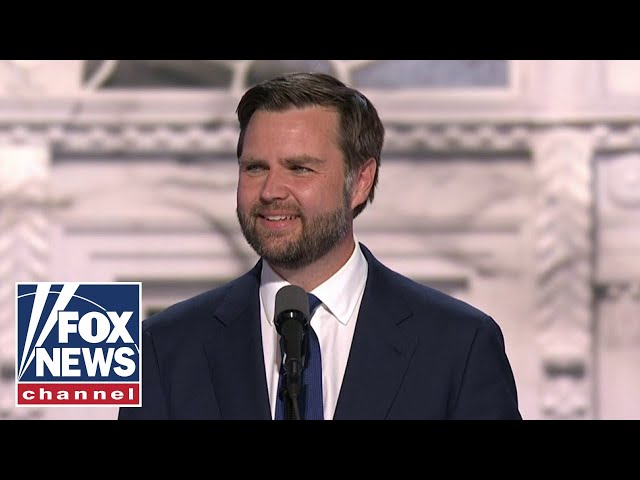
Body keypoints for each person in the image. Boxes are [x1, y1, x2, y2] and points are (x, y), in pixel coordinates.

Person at [118, 72, 522, 420]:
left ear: (360, 181)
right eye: (255, 168)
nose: (272, 191)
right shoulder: (163, 348)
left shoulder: (459, 345)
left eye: (299, 168)